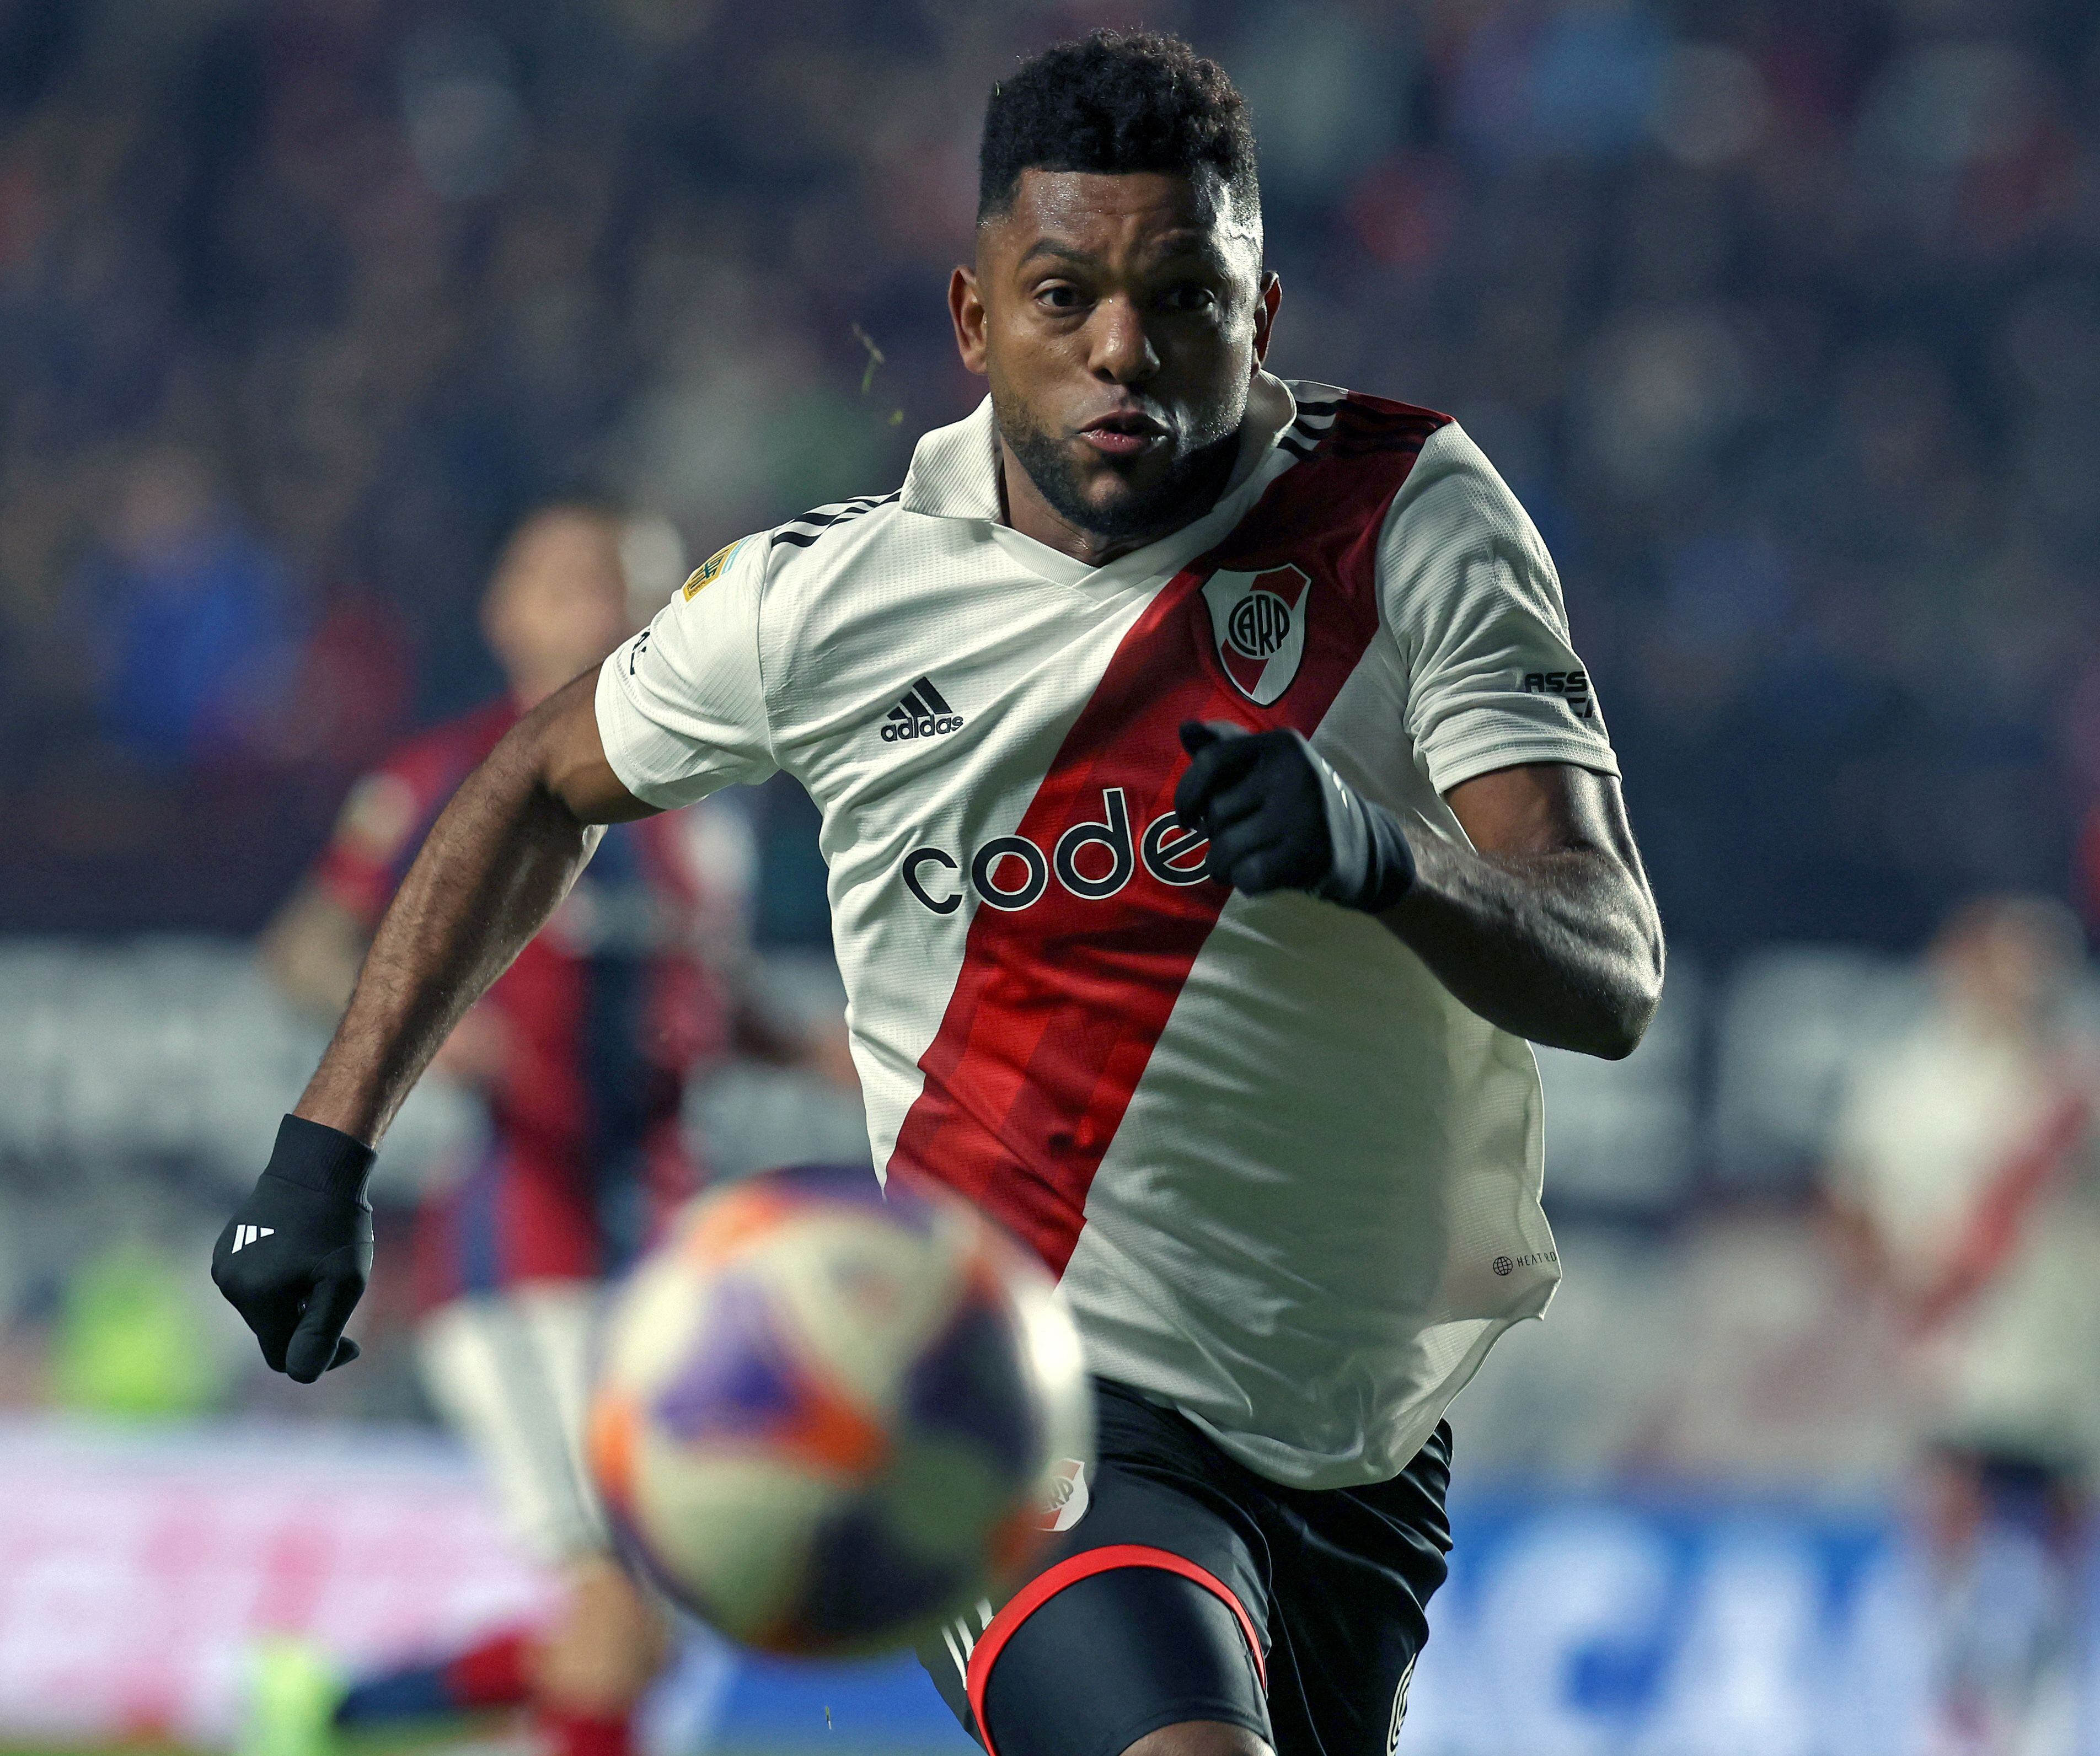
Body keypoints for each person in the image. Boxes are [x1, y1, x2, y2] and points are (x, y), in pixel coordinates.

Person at [211, 31, 1661, 1756]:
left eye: (1183, 299)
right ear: (975, 322)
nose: (1123, 352)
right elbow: (529, 779)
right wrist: (326, 1146)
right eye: (1065, 297)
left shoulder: (1407, 518)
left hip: (1362, 1427)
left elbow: (1605, 964)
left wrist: (1379, 855)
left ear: (1261, 319)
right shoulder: (828, 603)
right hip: (1010, 1380)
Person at [243, 503, 849, 1756]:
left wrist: (837, 1056)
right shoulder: (445, 780)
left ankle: (331, 1710)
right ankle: (327, 1711)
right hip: (525, 1245)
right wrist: (434, 1024)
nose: (599, 608)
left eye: (627, 583)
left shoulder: (703, 818)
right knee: (618, 1613)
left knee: (653, 1617)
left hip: (668, 1256)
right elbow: (304, 949)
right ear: (505, 614)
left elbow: (709, 1005)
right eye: (568, 583)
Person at [1822, 894, 2100, 1752]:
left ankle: (2049, 1712)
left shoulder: (2075, 1082)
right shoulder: (1909, 1080)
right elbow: (1850, 1199)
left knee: (2058, 1531)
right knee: (1950, 1522)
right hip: (1952, 1348)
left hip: (2057, 1349)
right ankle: (1950, 1715)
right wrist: (1893, 1292)